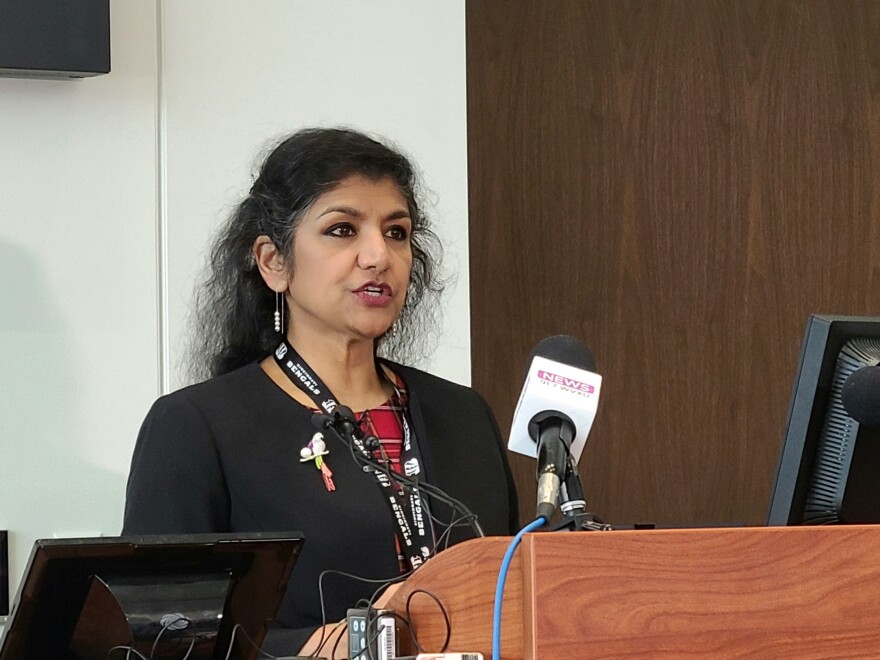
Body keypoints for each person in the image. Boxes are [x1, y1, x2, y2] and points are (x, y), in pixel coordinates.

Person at [122, 127, 519, 656]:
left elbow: (514, 598)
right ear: (273, 262)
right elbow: (157, 641)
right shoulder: (198, 426)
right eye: (342, 230)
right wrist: (331, 646)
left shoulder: (463, 414)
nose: (378, 255)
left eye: (397, 233)